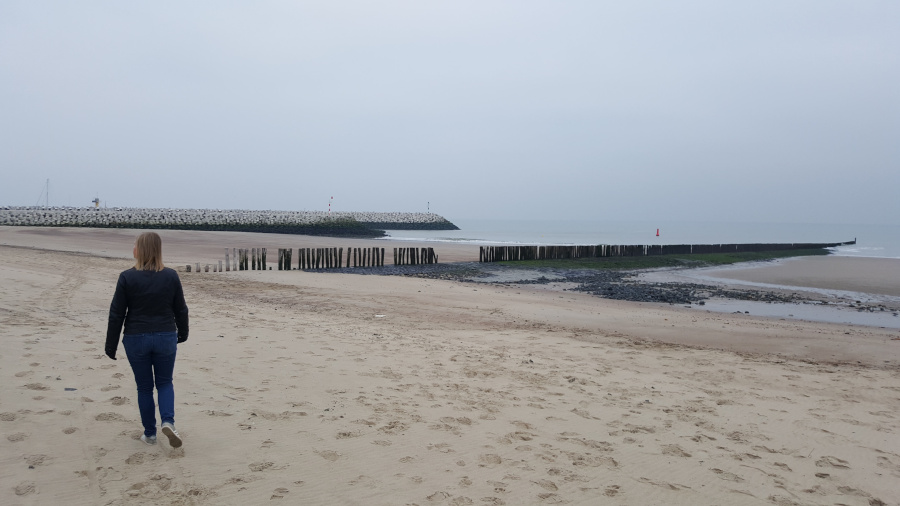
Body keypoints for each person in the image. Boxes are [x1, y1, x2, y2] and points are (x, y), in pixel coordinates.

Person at [105, 232, 189, 448]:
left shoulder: (127, 277)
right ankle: (168, 421)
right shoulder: (170, 276)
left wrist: (111, 344)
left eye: (134, 244)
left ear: (140, 249)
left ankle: (150, 434)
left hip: (136, 338)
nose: (132, 247)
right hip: (165, 336)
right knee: (164, 382)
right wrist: (183, 332)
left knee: (144, 387)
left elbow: (117, 313)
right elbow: (180, 308)